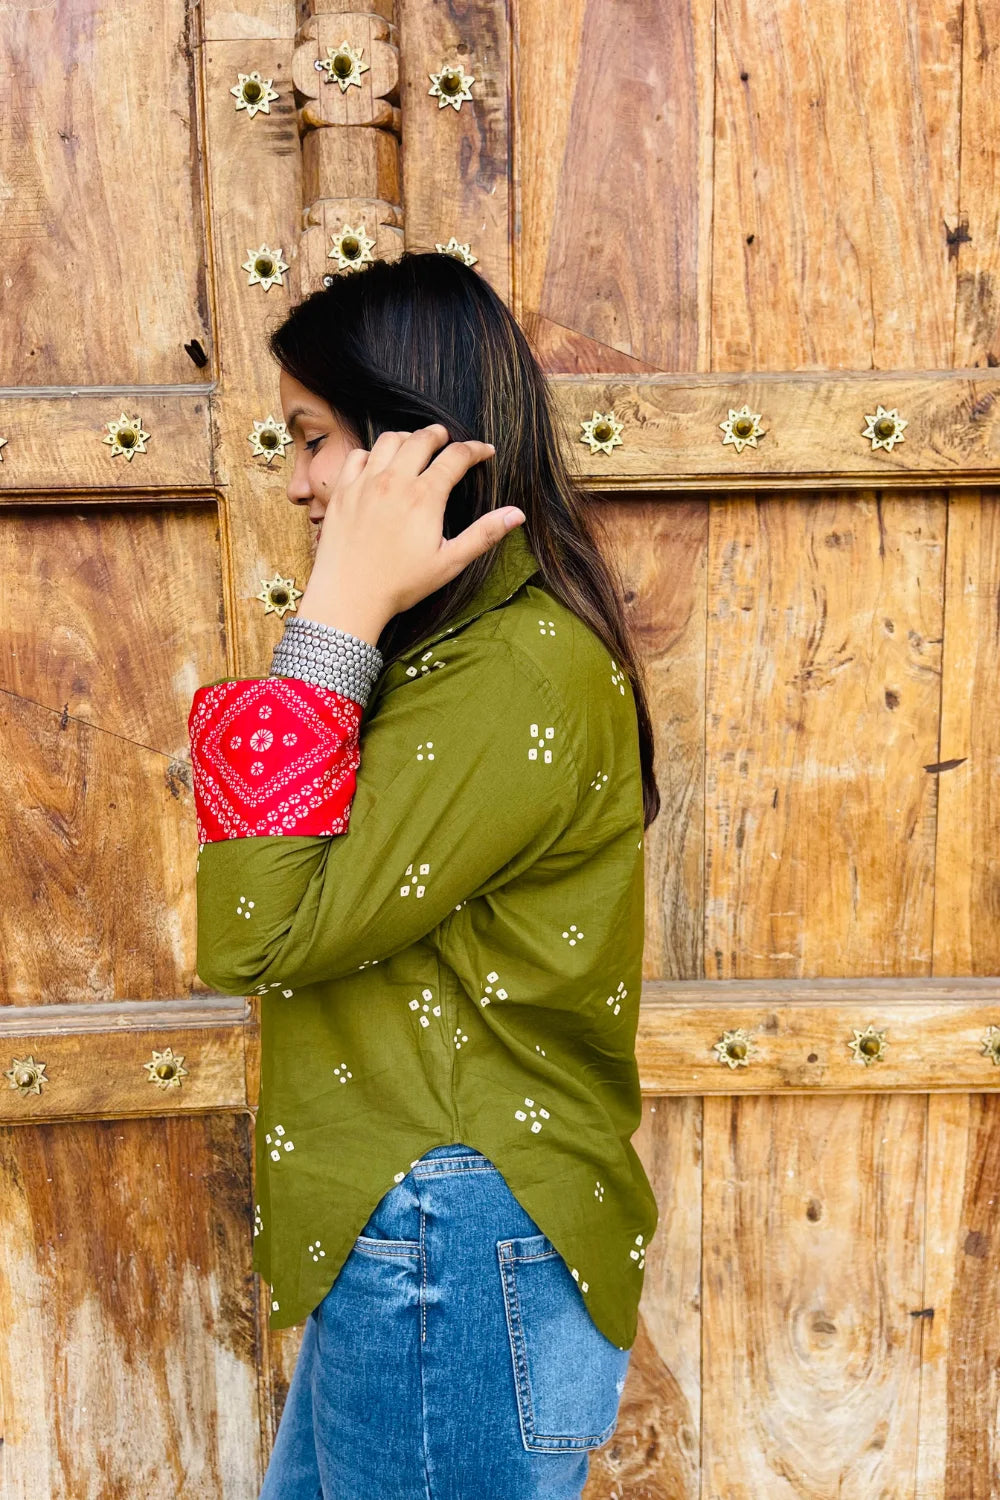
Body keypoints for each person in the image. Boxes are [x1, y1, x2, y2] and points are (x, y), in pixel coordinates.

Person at [187, 251, 661, 1499]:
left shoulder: (515, 673)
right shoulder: (464, 662)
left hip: (447, 1236)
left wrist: (336, 608)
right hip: (430, 1228)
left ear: (416, 447)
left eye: (314, 439)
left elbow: (262, 932)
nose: (297, 485)